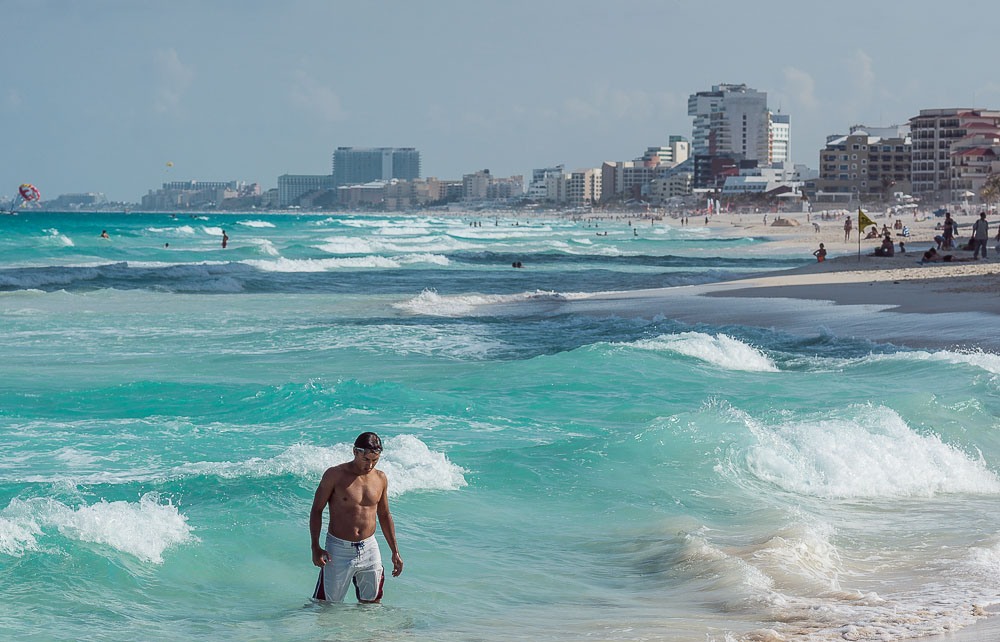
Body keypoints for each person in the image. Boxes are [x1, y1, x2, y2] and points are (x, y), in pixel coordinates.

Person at [310, 432, 402, 603]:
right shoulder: (334, 475)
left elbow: (384, 514)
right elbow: (317, 509)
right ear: (355, 452)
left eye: (375, 460)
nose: (370, 465)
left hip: (369, 547)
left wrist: (395, 551)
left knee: (372, 603)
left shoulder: (380, 478)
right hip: (338, 549)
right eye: (366, 459)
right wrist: (315, 546)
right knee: (327, 605)